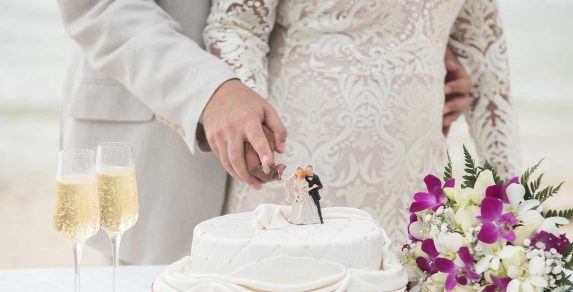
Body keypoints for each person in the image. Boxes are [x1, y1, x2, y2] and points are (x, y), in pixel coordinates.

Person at [56, 0, 473, 264]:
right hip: (163, 143)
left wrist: (415, 47)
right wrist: (209, 90)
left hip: (302, 151)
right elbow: (96, 5)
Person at [210, 0, 521, 246]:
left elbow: (487, 62)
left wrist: (516, 218)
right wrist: (250, 131)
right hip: (292, 170)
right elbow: (237, 26)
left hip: (415, 190)